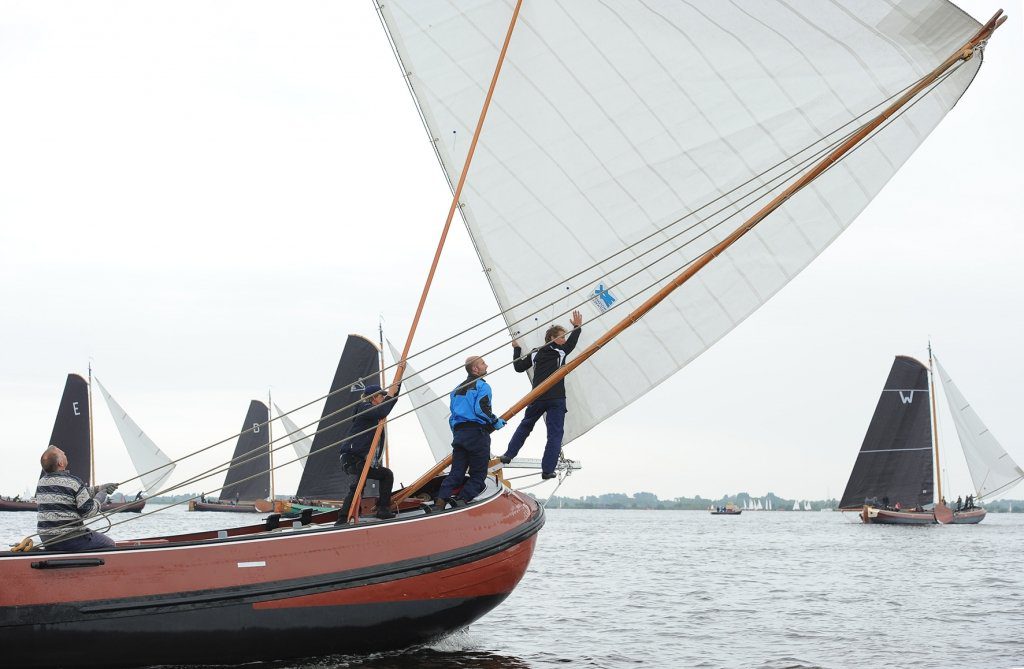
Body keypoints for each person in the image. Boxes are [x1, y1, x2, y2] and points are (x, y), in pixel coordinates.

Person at [500, 310, 584, 478]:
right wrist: (577, 327)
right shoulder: (560, 351)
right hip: (555, 398)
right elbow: (572, 343)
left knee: (526, 425)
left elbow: (518, 367)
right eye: (562, 337)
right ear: (552, 338)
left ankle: (508, 455)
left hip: (537, 396)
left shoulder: (536, 352)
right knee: (554, 434)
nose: (564, 340)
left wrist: (516, 350)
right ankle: (547, 471)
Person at [437, 355, 506, 507]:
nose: (486, 365)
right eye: (483, 363)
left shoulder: (455, 391)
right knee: (478, 474)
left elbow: (452, 418)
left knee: (456, 473)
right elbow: (481, 409)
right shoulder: (482, 386)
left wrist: (458, 435)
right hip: (477, 434)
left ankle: (440, 501)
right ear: (475, 368)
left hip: (460, 435)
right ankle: (461, 501)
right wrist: (495, 421)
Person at [336, 374, 402, 523]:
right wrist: (391, 394)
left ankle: (382, 509)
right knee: (358, 485)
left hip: (360, 458)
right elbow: (383, 410)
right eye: (381, 396)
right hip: (353, 457)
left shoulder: (374, 411)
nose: (382, 399)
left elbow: (387, 406)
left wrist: (397, 385)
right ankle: (342, 519)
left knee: (386, 475)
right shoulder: (364, 407)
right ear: (373, 397)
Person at [35, 445, 118, 552]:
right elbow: (89, 512)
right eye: (62, 453)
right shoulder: (73, 482)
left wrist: (101, 488)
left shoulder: (42, 483)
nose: (64, 452)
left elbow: (76, 493)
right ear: (60, 463)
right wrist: (100, 497)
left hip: (47, 539)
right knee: (110, 544)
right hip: (70, 539)